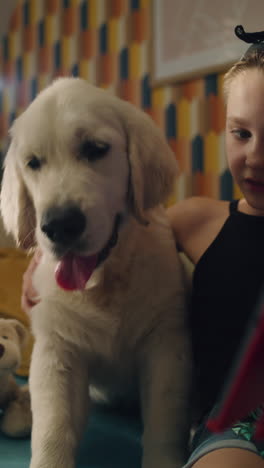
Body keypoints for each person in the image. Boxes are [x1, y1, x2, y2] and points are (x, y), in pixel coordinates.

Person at [21, 25, 264, 468]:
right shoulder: (195, 220)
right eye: (240, 133)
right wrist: (40, 254)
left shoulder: (172, 231)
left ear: (137, 162)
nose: (257, 157)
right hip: (236, 427)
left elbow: (165, 342)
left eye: (94, 149)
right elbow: (136, 229)